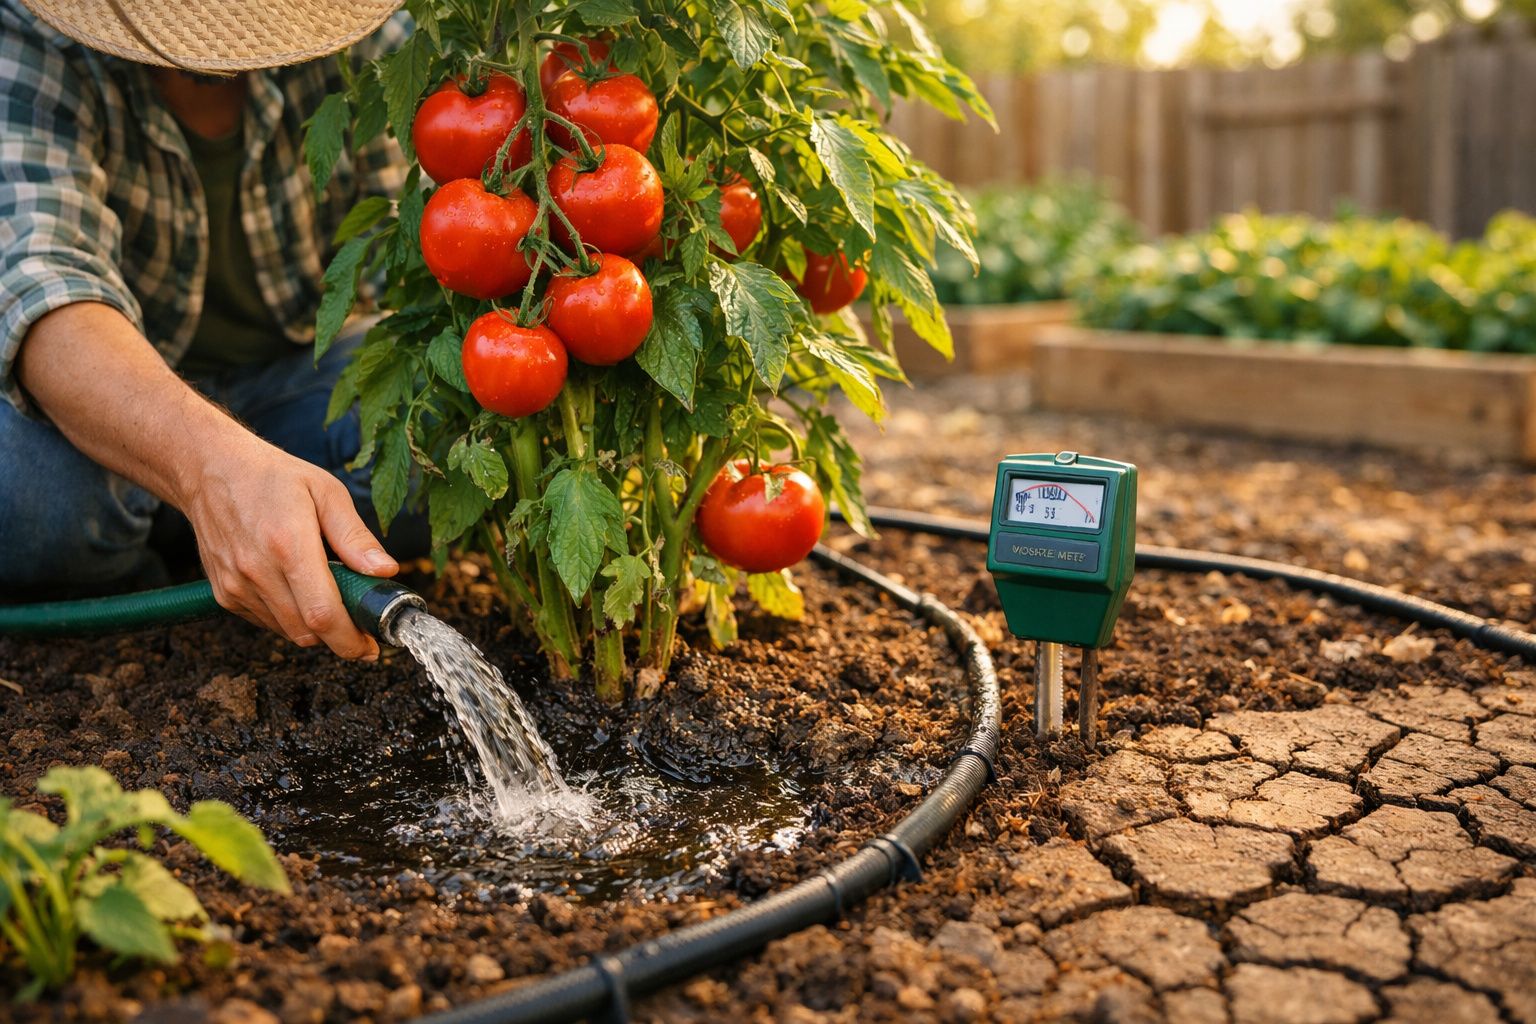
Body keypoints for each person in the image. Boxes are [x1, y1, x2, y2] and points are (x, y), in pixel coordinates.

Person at [0, 0, 424, 661]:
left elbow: (420, 258)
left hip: (289, 392)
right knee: (42, 501)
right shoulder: (31, 37)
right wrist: (210, 470)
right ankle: (195, 541)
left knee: (433, 439)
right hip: (107, 418)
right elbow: (48, 291)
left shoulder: (369, 44)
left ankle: (192, 540)